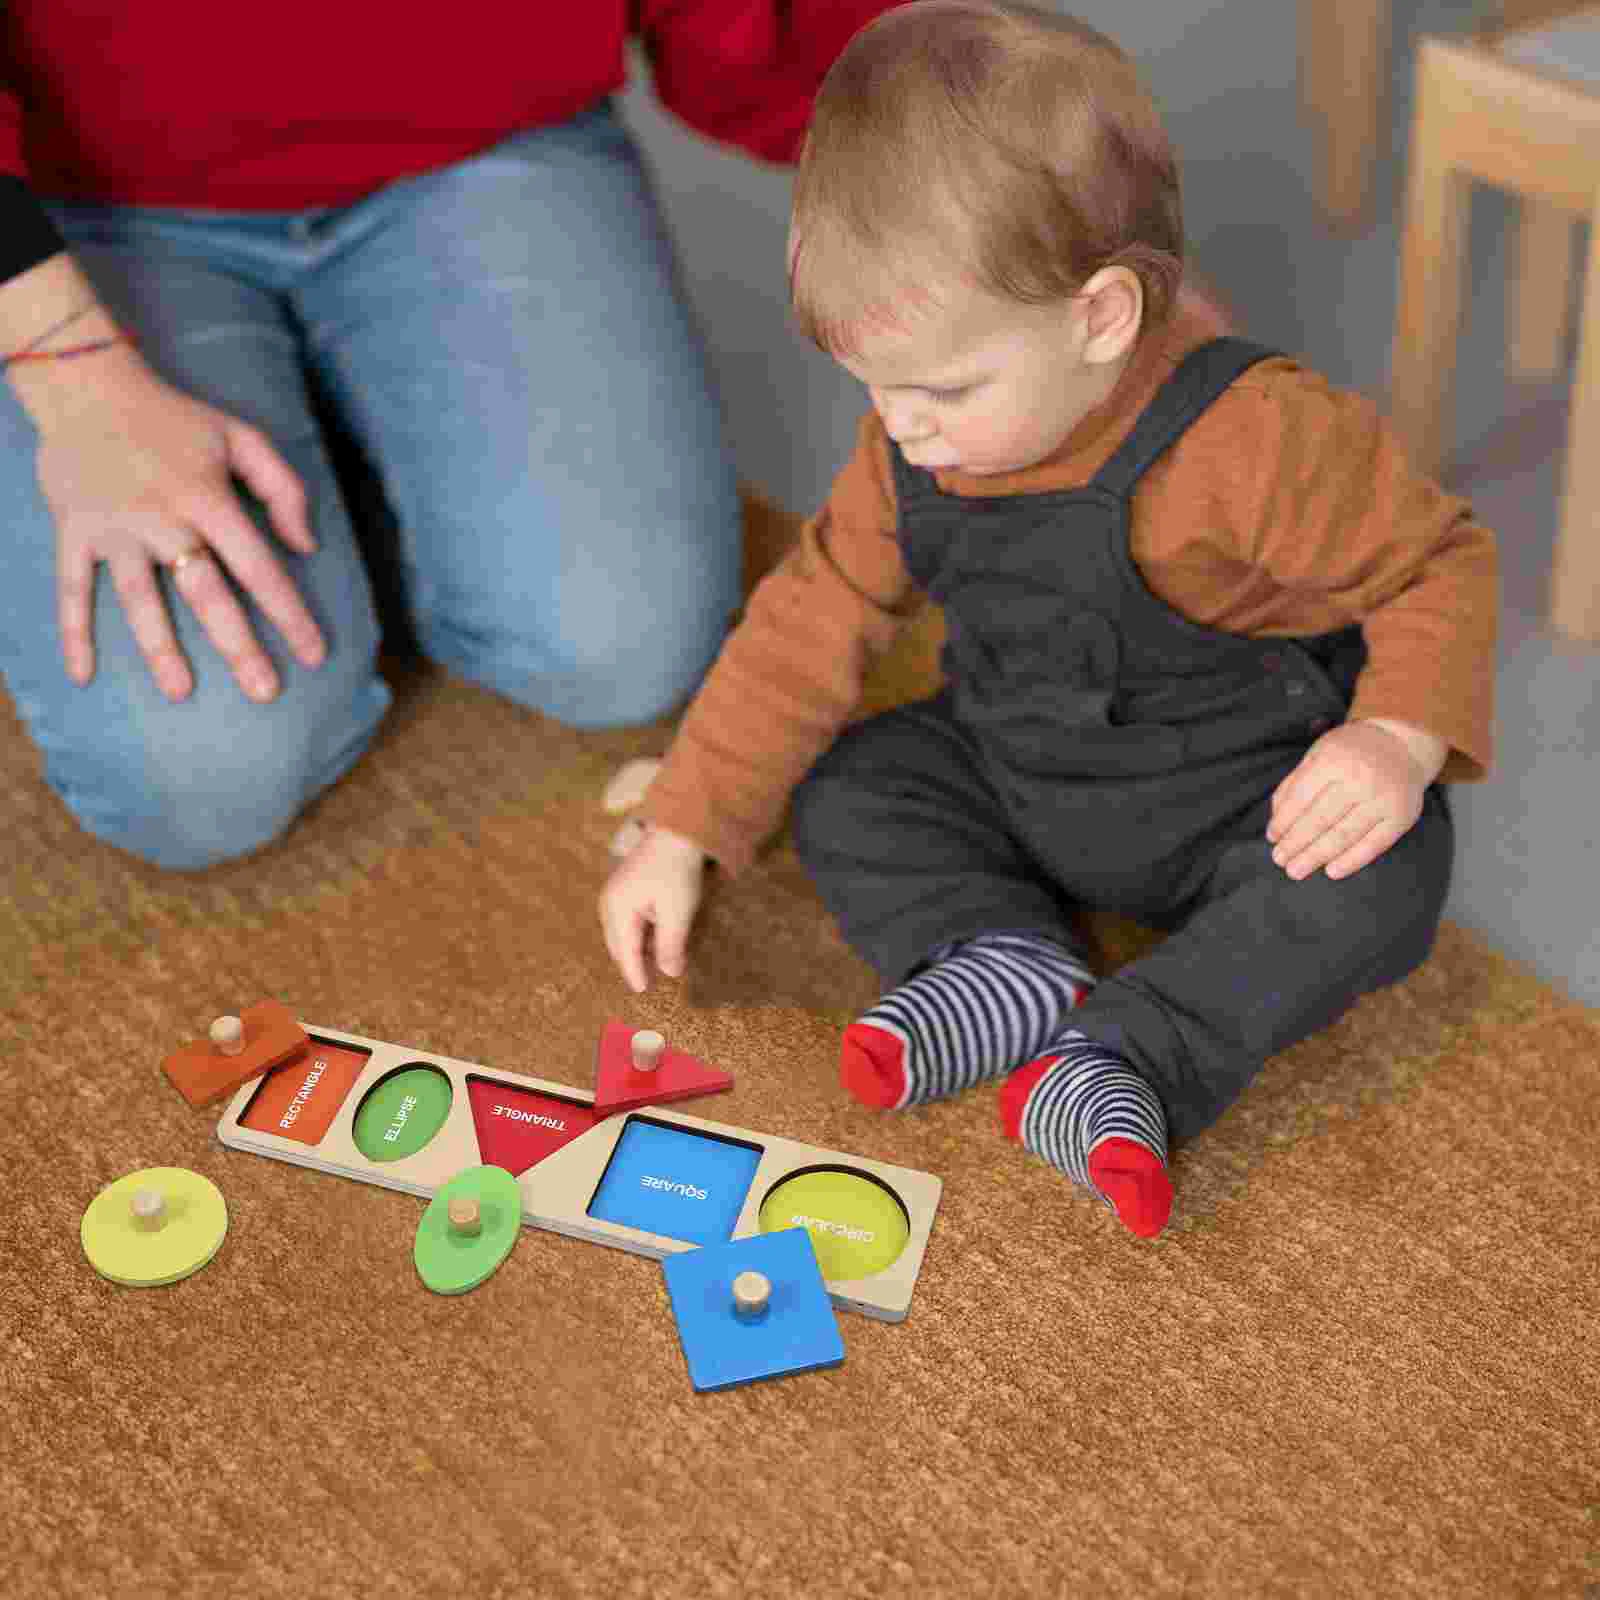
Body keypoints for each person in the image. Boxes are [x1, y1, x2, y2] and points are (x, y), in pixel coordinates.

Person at [599, 0, 1498, 1239]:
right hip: (1019, 768)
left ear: (1100, 318)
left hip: (1247, 806)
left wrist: (1392, 737)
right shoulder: (911, 437)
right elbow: (812, 617)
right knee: (851, 781)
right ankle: (1002, 958)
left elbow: (1436, 562)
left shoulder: (1254, 434)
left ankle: (1130, 1051)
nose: (899, 426)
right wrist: (683, 823)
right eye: (873, 388)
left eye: (943, 388)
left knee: (1388, 875)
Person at [0, 0, 892, 870]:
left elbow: (777, 47)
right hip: (77, 200)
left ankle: (361, 455)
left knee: (621, 649)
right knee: (201, 778)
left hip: (473, 137)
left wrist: (965, 175)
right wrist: (75, 381)